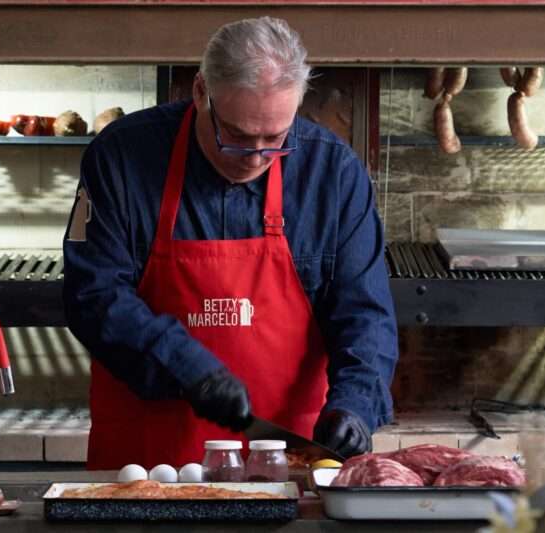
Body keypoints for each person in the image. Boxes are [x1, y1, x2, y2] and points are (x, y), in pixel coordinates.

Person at [63, 16, 398, 469]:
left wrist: (355, 405)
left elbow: (365, 312)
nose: (256, 158)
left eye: (275, 139)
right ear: (201, 91)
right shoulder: (122, 156)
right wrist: (183, 364)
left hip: (287, 458)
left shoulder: (332, 172)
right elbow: (93, 294)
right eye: (237, 137)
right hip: (147, 457)